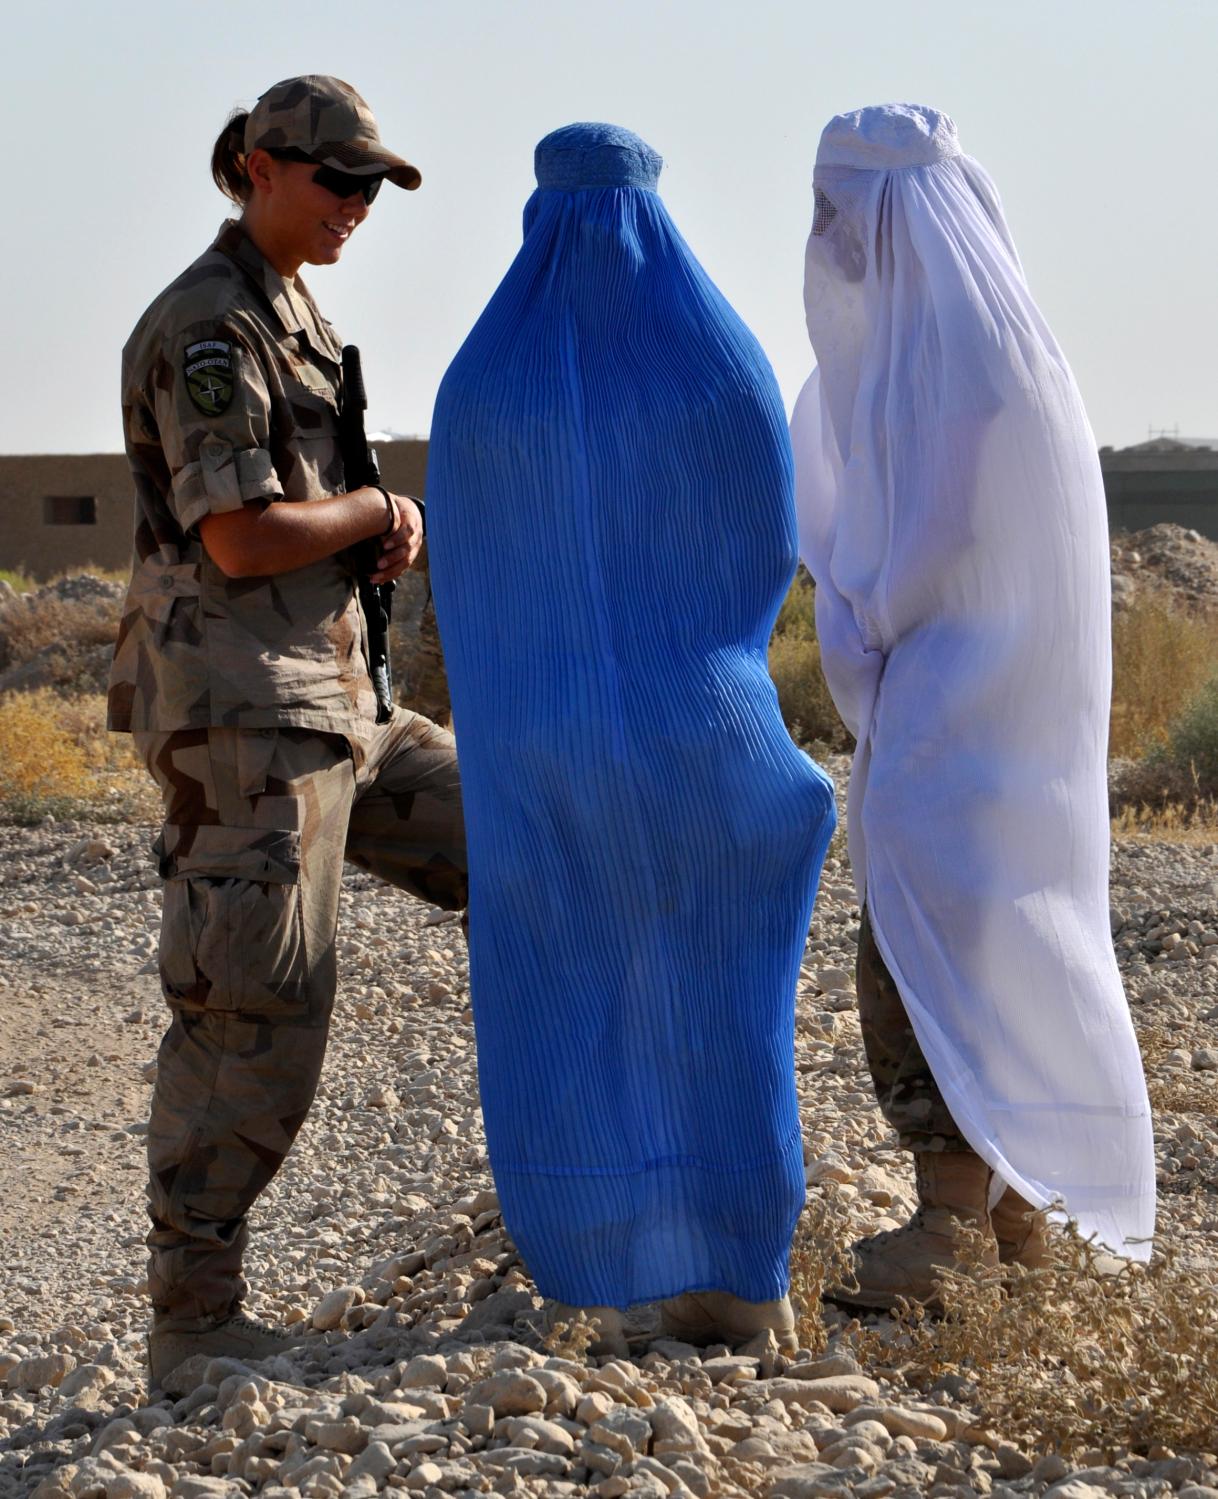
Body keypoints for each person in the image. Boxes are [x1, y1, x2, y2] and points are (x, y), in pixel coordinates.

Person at [426, 123, 837, 1354]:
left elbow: (471, 594)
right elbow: (769, 557)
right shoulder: (725, 365)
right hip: (712, 749)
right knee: (725, 1000)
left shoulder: (482, 383)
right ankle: (738, 1274)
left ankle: (607, 1271)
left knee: (570, 993)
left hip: (542, 761)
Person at [107, 75, 467, 1384]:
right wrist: (372, 515)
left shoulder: (296, 317)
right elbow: (241, 532)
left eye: (372, 188)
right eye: (338, 181)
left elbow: (305, 518)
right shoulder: (212, 329)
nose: (358, 208)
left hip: (337, 704)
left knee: (530, 848)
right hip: (241, 719)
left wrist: (372, 528)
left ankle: (576, 1188)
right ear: (258, 165)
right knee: (255, 997)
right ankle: (194, 1325)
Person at [789, 103, 1156, 1308]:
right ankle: (1016, 1224)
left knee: (918, 950)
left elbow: (919, 558)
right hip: (1017, 730)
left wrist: (852, 605)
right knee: (1003, 946)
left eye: (843, 211)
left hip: (958, 716)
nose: (827, 236)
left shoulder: (954, 371)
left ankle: (948, 1226)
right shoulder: (1016, 355)